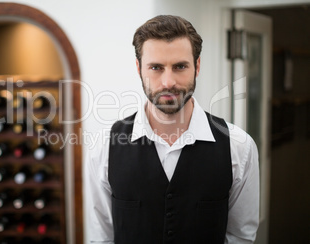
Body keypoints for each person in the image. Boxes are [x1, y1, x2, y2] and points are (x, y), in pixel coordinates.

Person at [86, 15, 259, 244]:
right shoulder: (104, 146)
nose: (168, 82)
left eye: (180, 66)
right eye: (156, 67)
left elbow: (241, 237)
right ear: (139, 68)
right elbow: (101, 238)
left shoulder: (239, 147)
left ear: (197, 66)